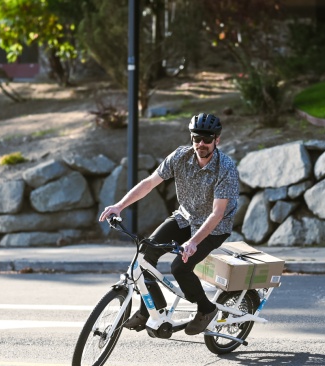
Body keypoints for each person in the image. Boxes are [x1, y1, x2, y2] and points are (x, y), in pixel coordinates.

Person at [98, 113, 239, 335]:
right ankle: (151, 310)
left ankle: (206, 309)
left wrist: (193, 242)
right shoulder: (180, 157)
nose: (201, 143)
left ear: (217, 140)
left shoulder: (226, 168)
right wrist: (119, 206)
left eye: (207, 139)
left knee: (180, 267)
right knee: (144, 255)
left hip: (214, 227)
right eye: (196, 138)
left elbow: (217, 213)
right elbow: (149, 183)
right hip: (185, 217)